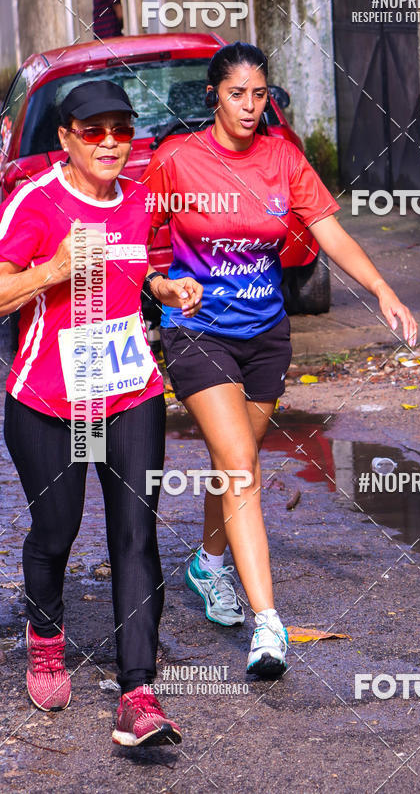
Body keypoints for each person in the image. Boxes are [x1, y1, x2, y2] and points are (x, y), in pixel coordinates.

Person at [143, 42, 418, 679]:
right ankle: (269, 626)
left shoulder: (283, 160)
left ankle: (208, 564)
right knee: (240, 464)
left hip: (265, 336)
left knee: (231, 457)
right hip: (197, 331)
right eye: (236, 93)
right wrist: (159, 287)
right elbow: (141, 239)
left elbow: (328, 231)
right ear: (213, 95)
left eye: (259, 94)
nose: (249, 106)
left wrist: (381, 289)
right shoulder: (177, 160)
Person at [0, 81, 202, 745]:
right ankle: (47, 632)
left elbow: (134, 268)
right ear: (66, 139)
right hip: (48, 400)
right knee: (55, 535)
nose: (111, 142)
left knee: (135, 536)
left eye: (122, 129)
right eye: (95, 131)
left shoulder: (139, 202)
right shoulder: (35, 202)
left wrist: (166, 286)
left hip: (128, 390)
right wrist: (51, 270)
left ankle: (138, 691)